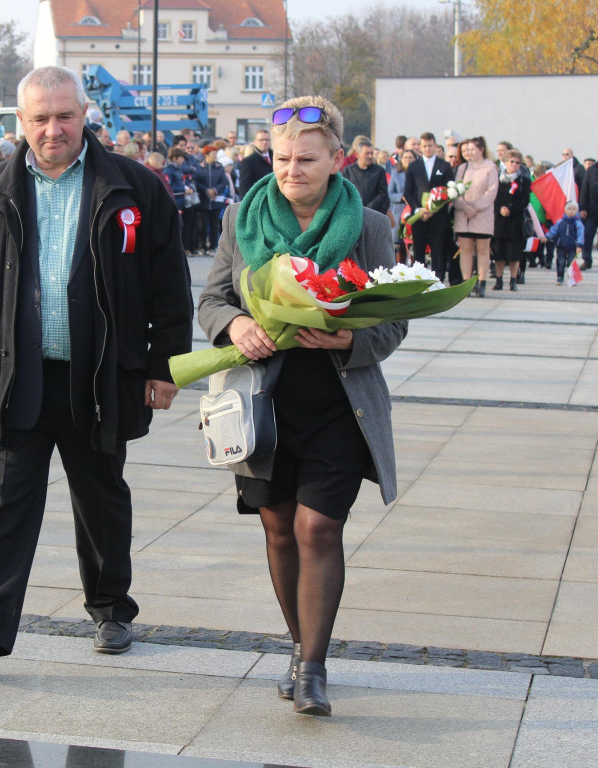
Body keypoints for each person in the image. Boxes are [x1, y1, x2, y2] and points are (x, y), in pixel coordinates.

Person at [0, 65, 193, 679]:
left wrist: (165, 365)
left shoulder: (135, 187)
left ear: (85, 115)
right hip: (16, 375)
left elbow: (169, 284)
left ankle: (110, 608)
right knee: (3, 502)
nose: (53, 129)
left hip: (102, 376)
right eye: (40, 118)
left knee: (102, 495)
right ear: (21, 123)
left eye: (65, 115)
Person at [197, 96, 406, 717]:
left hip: (340, 403)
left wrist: (350, 337)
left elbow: (393, 323)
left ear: (337, 159)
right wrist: (235, 325)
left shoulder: (370, 227)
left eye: (307, 160)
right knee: (280, 528)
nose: (292, 170)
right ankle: (298, 645)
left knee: (319, 526)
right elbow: (209, 300)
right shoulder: (242, 217)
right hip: (262, 405)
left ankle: (312, 667)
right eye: (283, 158)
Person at [452, 136, 499, 297]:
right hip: (463, 214)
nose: (469, 152)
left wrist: (476, 207)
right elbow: (455, 190)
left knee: (482, 249)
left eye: (472, 149)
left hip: (482, 215)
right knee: (465, 249)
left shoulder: (490, 168)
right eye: (467, 149)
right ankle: (466, 283)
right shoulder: (463, 168)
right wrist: (464, 206)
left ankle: (481, 281)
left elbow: (491, 192)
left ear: (481, 150)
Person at [403, 132, 453, 280]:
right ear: (420, 147)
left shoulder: (444, 165)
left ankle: (438, 279)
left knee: (438, 249)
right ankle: (420, 279)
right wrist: (418, 209)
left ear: (435, 145)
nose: (428, 148)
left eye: (430, 145)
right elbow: (408, 191)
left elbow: (448, 190)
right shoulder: (414, 166)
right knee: (419, 249)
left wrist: (434, 209)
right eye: (424, 146)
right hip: (419, 215)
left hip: (438, 215)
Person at [491, 149, 531, 292]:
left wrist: (511, 209)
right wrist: (500, 209)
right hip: (500, 221)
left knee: (514, 254)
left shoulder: (523, 180)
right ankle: (499, 279)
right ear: (506, 162)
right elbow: (492, 196)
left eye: (517, 162)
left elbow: (525, 200)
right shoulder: (497, 178)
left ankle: (513, 280)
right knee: (499, 253)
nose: (514, 164)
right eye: (511, 161)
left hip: (515, 220)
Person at [195, 144, 229, 254]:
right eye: (213, 154)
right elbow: (196, 181)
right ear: (206, 155)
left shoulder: (219, 167)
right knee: (202, 225)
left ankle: (213, 246)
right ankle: (202, 246)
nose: (215, 156)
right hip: (203, 201)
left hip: (216, 201)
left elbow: (223, 182)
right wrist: (206, 190)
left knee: (215, 225)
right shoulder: (199, 167)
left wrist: (215, 190)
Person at [342, 140, 389, 215]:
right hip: (353, 214)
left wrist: (368, 209)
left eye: (371, 153)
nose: (370, 156)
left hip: (374, 214)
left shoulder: (379, 171)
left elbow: (383, 194)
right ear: (358, 154)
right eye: (367, 153)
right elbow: (343, 193)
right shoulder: (348, 171)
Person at [546, 201, 585, 285]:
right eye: (569, 209)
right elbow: (554, 230)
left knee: (571, 262)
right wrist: (547, 237)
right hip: (561, 246)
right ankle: (560, 277)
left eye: (574, 209)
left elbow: (580, 234)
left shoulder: (578, 223)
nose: (571, 211)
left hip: (573, 246)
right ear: (565, 210)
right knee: (560, 262)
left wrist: (579, 244)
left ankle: (571, 278)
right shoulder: (560, 222)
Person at [238, 129, 273, 196]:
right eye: (261, 140)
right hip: (258, 199)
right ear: (255, 142)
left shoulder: (276, 157)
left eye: (267, 139)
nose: (264, 142)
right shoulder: (248, 161)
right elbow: (244, 187)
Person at [579, 149, 598, 270]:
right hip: (592, 210)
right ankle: (587, 259)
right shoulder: (592, 170)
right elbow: (584, 190)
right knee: (588, 234)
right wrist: (582, 208)